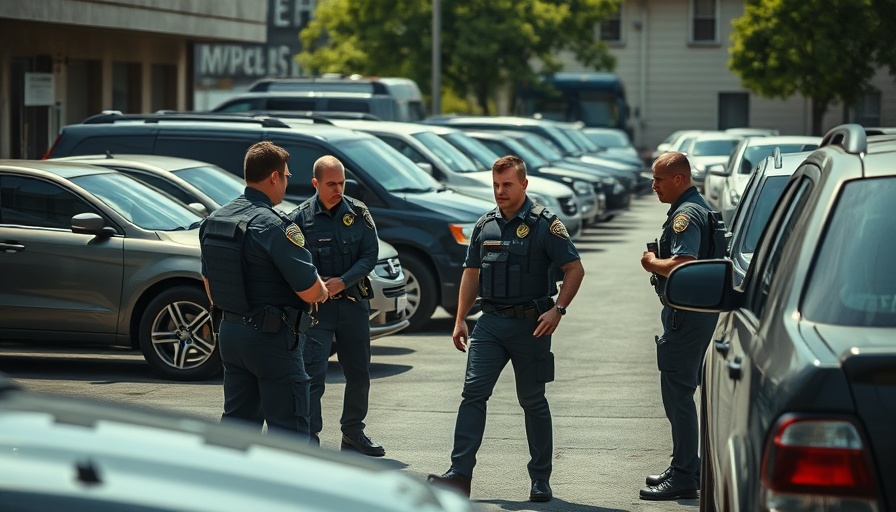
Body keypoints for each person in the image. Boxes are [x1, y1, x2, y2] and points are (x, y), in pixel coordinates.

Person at [428, 155, 585, 501]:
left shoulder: (545, 224)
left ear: (524, 184)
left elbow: (574, 269)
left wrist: (558, 310)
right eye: (496, 185)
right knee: (473, 394)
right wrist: (460, 319)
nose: (500, 191)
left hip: (532, 326)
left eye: (507, 185)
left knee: (532, 401)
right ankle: (459, 475)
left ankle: (540, 479)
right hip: (490, 325)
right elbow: (471, 273)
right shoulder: (485, 225)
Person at [199, 141, 328, 438]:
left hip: (230, 335)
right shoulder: (274, 226)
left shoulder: (215, 220)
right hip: (272, 341)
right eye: (286, 176)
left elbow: (209, 285)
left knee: (238, 430)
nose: (287, 182)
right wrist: (322, 289)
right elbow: (310, 291)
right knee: (290, 433)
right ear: (273, 177)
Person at [638, 151, 719, 500]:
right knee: (679, 393)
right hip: (695, 312)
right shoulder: (694, 207)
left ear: (679, 179)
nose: (654, 186)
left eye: (659, 179)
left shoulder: (686, 214)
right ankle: (685, 464)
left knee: (678, 394)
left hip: (687, 315)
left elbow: (684, 263)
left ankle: (685, 476)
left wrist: (651, 262)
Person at [291, 155, 384, 456]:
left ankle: (353, 432)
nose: (338, 190)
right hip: (318, 310)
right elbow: (293, 262)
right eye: (331, 184)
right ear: (315, 183)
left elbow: (370, 255)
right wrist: (317, 284)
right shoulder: (299, 219)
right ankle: (309, 439)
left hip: (353, 304)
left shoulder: (358, 212)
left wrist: (343, 281)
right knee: (313, 375)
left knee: (359, 373)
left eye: (341, 183)